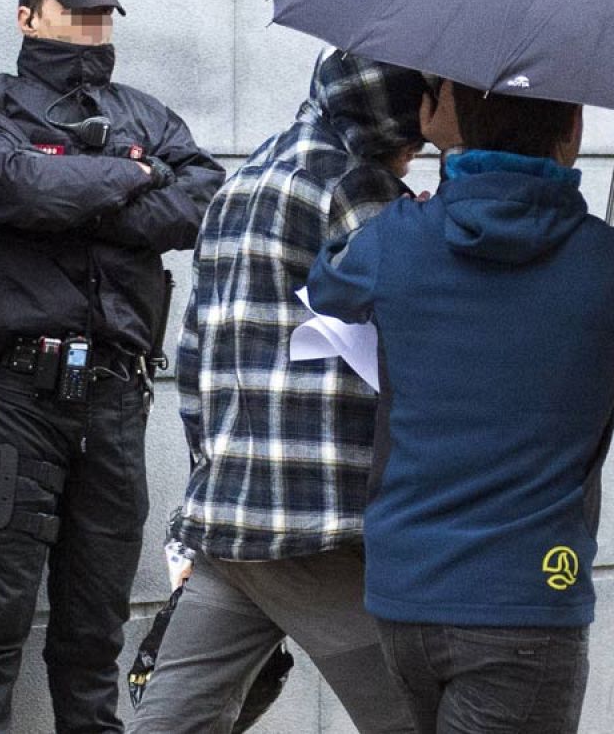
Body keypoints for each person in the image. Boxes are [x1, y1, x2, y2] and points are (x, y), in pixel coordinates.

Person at [305, 82, 614, 733]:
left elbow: (327, 282)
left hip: (405, 593)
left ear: (458, 126)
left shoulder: (397, 240)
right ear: (573, 124)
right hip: (529, 595)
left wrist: (408, 220)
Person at [0, 0, 224, 734]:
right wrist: (135, 175)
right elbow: (18, 185)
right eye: (77, 10)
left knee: (95, 630)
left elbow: (203, 199)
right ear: (29, 15)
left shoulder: (147, 113)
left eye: (103, 12)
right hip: (18, 397)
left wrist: (77, 187)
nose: (93, 26)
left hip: (114, 398)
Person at [129, 50, 444, 734]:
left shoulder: (244, 181)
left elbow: (198, 356)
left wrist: (203, 485)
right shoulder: (355, 187)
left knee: (171, 723)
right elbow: (428, 325)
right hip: (317, 522)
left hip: (231, 511)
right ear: (392, 124)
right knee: (419, 720)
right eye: (415, 139)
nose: (418, 153)